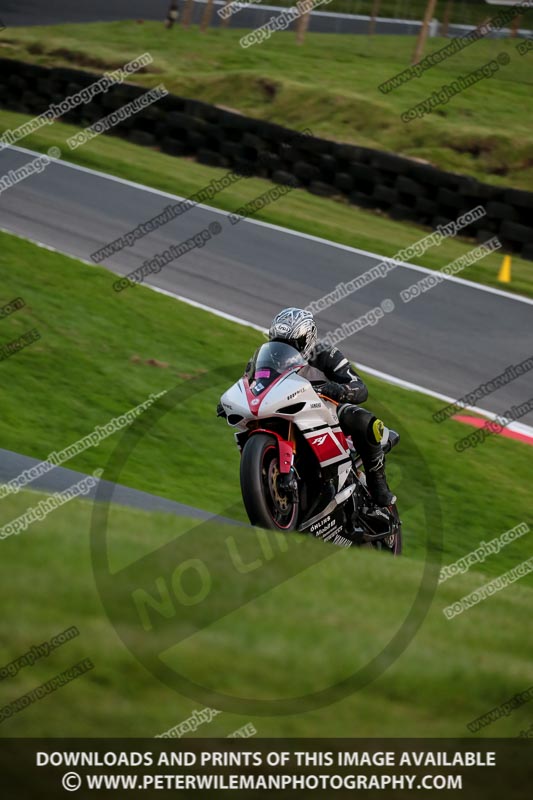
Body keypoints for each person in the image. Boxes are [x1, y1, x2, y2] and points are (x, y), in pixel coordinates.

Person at [267, 307, 395, 507]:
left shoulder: (325, 354)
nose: (285, 349)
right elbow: (251, 384)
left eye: (292, 344)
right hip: (289, 414)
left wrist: (339, 390)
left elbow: (360, 387)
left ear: (307, 339)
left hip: (327, 414)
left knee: (362, 419)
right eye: (279, 343)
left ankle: (377, 481)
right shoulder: (269, 361)